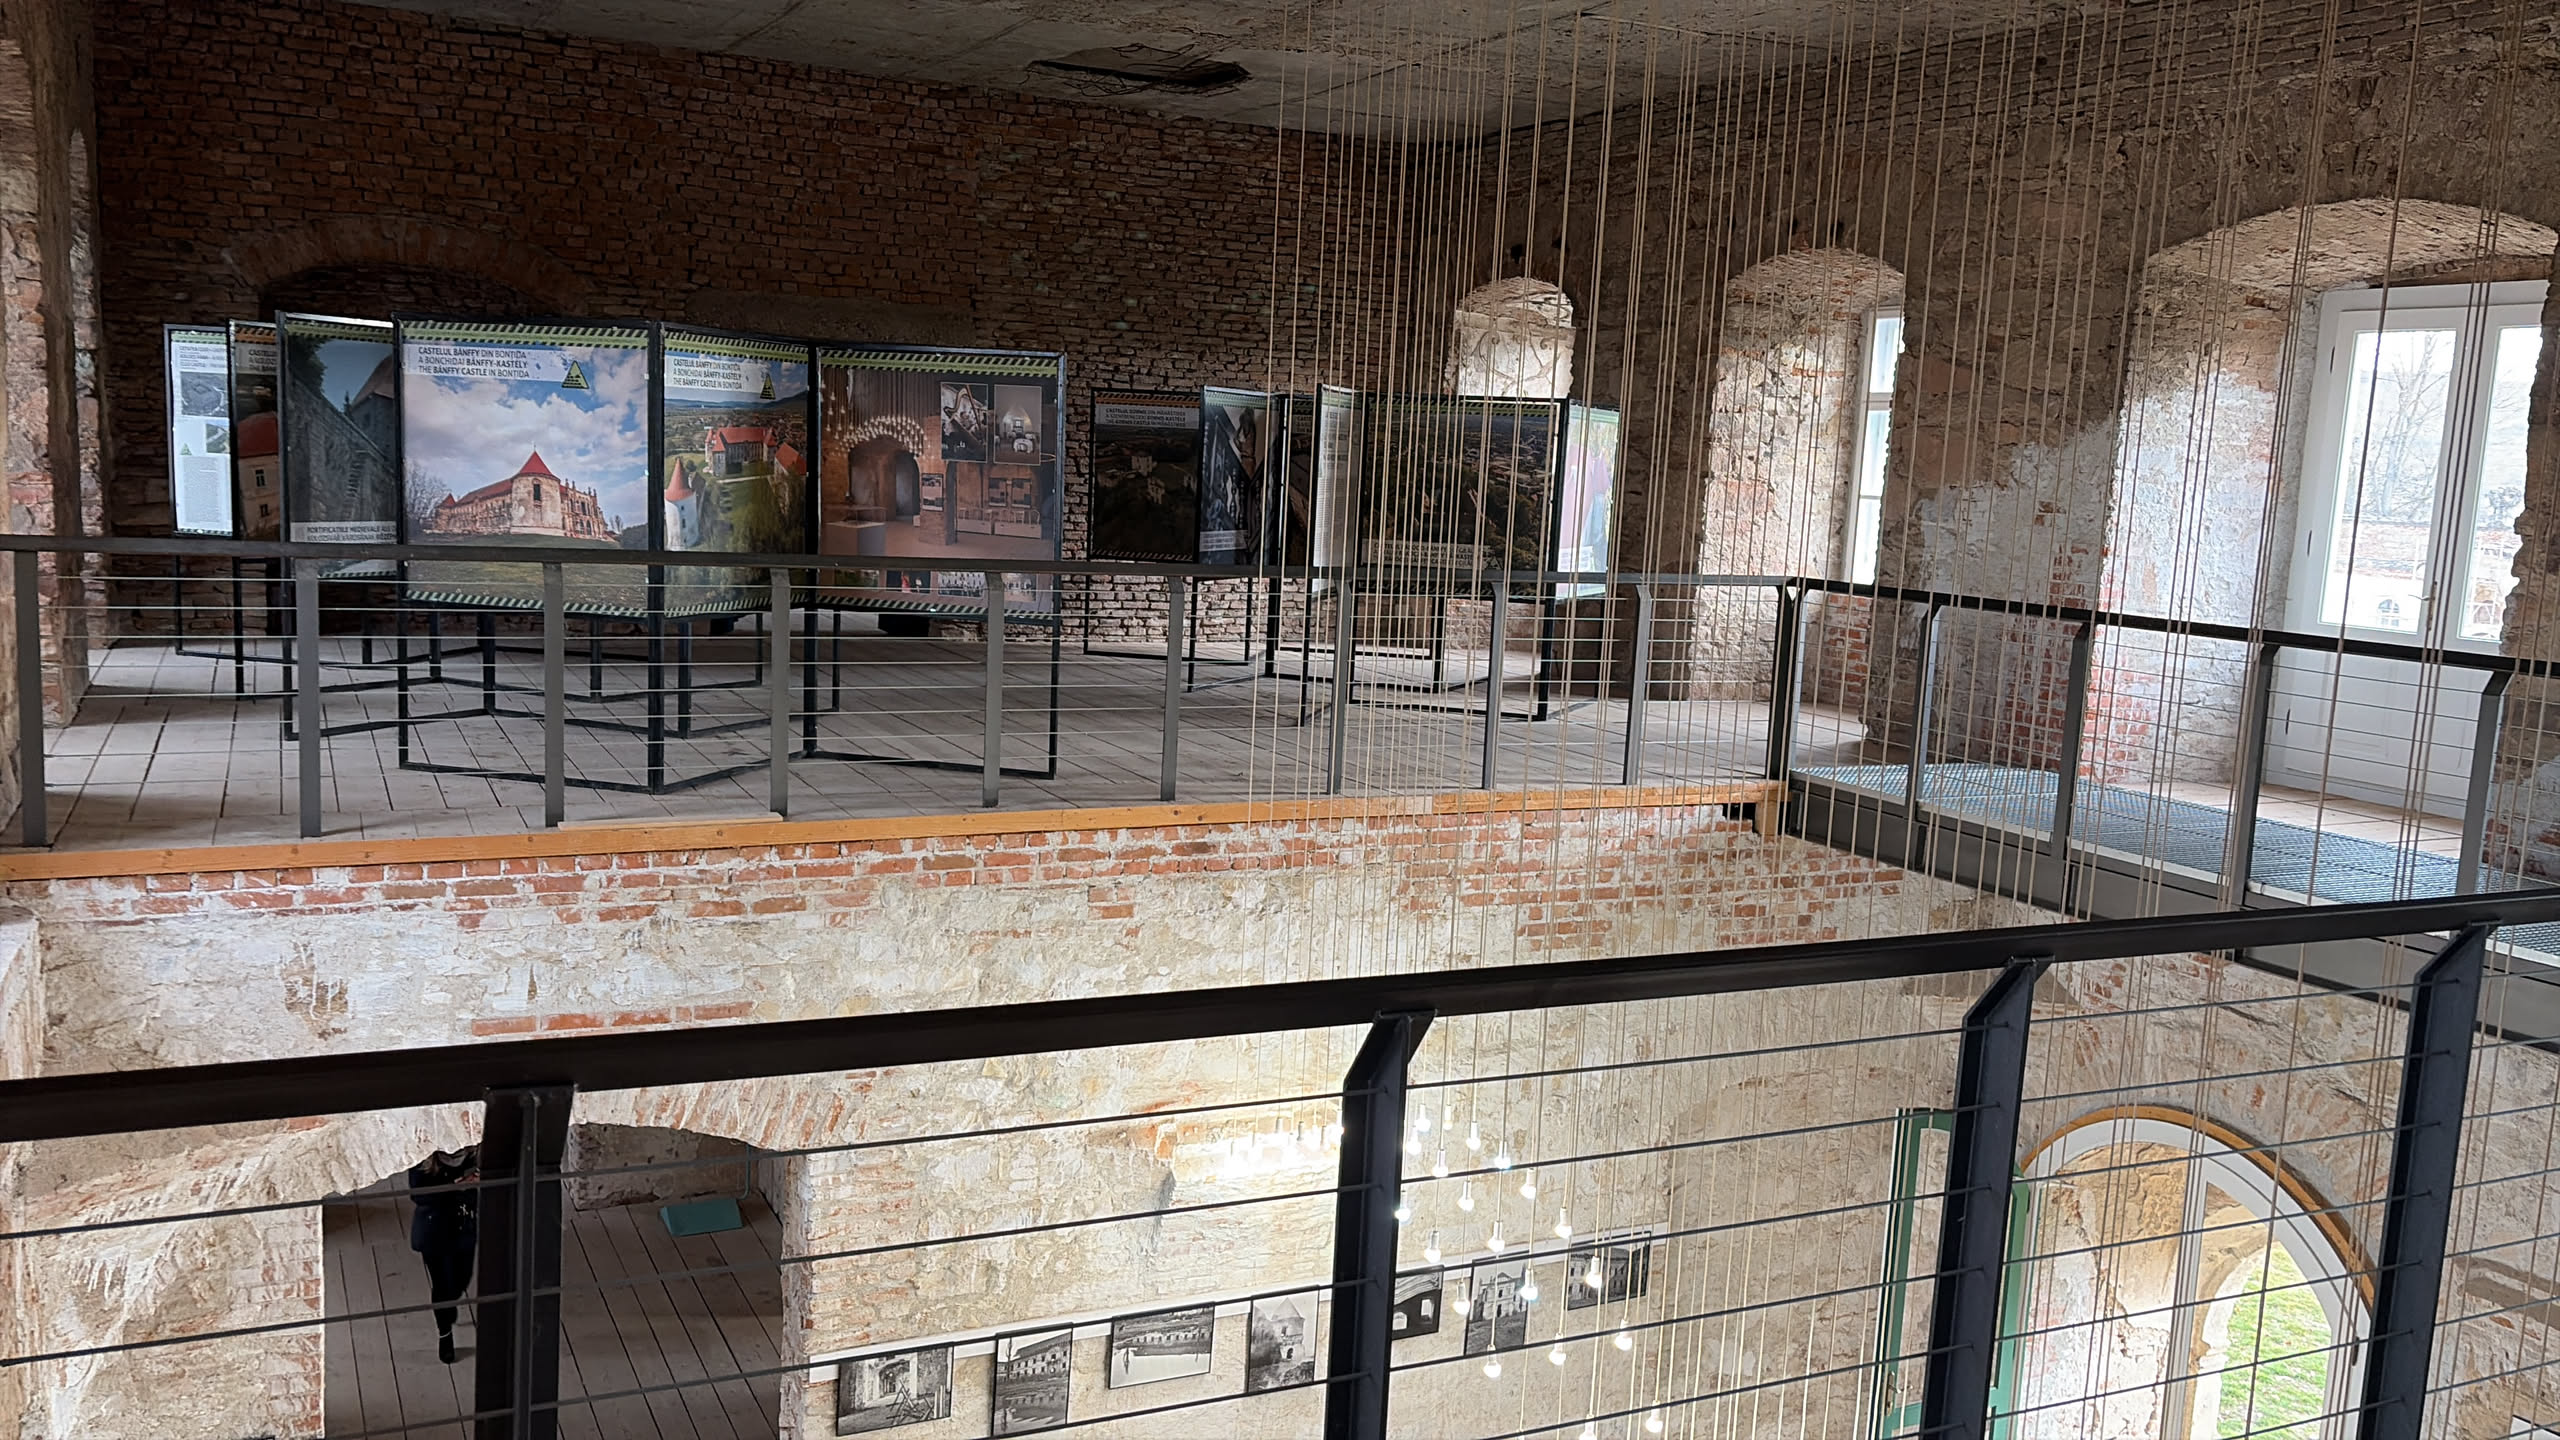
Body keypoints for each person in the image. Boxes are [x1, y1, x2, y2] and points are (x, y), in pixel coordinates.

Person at [408, 1146, 480, 1364]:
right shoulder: (423, 1158)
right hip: (435, 1231)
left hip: (463, 1227)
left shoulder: (472, 1154)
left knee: (462, 1279)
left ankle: (449, 1304)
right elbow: (419, 1195)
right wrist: (456, 1186)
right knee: (442, 1285)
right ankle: (445, 1333)